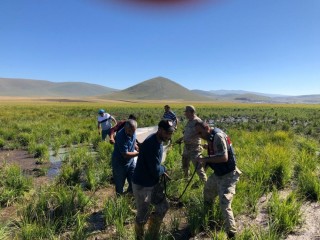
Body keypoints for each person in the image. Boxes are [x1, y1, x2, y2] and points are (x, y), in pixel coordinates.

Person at [195, 121, 241, 239]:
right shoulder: (211, 137)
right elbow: (216, 151)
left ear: (207, 128)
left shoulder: (218, 137)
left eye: (200, 132)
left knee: (224, 202)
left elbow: (224, 157)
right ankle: (209, 218)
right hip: (218, 174)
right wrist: (206, 149)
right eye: (197, 133)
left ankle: (231, 233)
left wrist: (205, 160)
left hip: (228, 175)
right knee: (208, 192)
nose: (199, 135)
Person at [132, 119, 174, 240]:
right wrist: (163, 169)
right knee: (142, 216)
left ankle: (152, 233)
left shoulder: (158, 140)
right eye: (167, 133)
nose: (169, 136)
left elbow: (155, 168)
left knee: (163, 206)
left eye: (171, 133)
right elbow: (155, 170)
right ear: (160, 130)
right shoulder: (152, 144)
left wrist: (161, 170)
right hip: (142, 185)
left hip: (152, 182)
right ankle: (139, 237)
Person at [176, 105, 207, 182]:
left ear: (191, 112)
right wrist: (182, 138)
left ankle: (204, 182)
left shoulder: (198, 121)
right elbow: (187, 133)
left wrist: (193, 137)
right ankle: (186, 180)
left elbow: (204, 132)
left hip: (195, 148)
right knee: (185, 165)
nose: (185, 114)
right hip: (187, 147)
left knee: (198, 168)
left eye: (186, 112)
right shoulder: (189, 121)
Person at [111, 119, 139, 195]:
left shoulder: (133, 131)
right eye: (129, 131)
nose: (132, 133)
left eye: (133, 131)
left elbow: (133, 140)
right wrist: (139, 153)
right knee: (119, 186)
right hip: (119, 164)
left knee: (134, 181)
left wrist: (135, 146)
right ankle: (119, 202)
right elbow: (125, 155)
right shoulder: (120, 136)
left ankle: (129, 195)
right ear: (125, 128)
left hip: (131, 162)